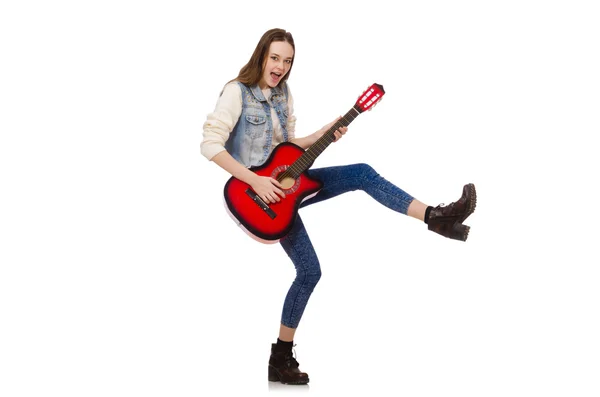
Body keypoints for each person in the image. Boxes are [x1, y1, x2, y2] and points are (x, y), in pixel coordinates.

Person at [200, 28, 477, 385]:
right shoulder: (236, 92)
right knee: (311, 271)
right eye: (275, 58)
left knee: (361, 173)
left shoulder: (284, 95)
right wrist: (254, 180)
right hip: (256, 196)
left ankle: (436, 217)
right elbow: (209, 144)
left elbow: (286, 149)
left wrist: (324, 132)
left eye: (287, 60)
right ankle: (281, 357)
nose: (281, 66)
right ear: (261, 56)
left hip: (290, 186)